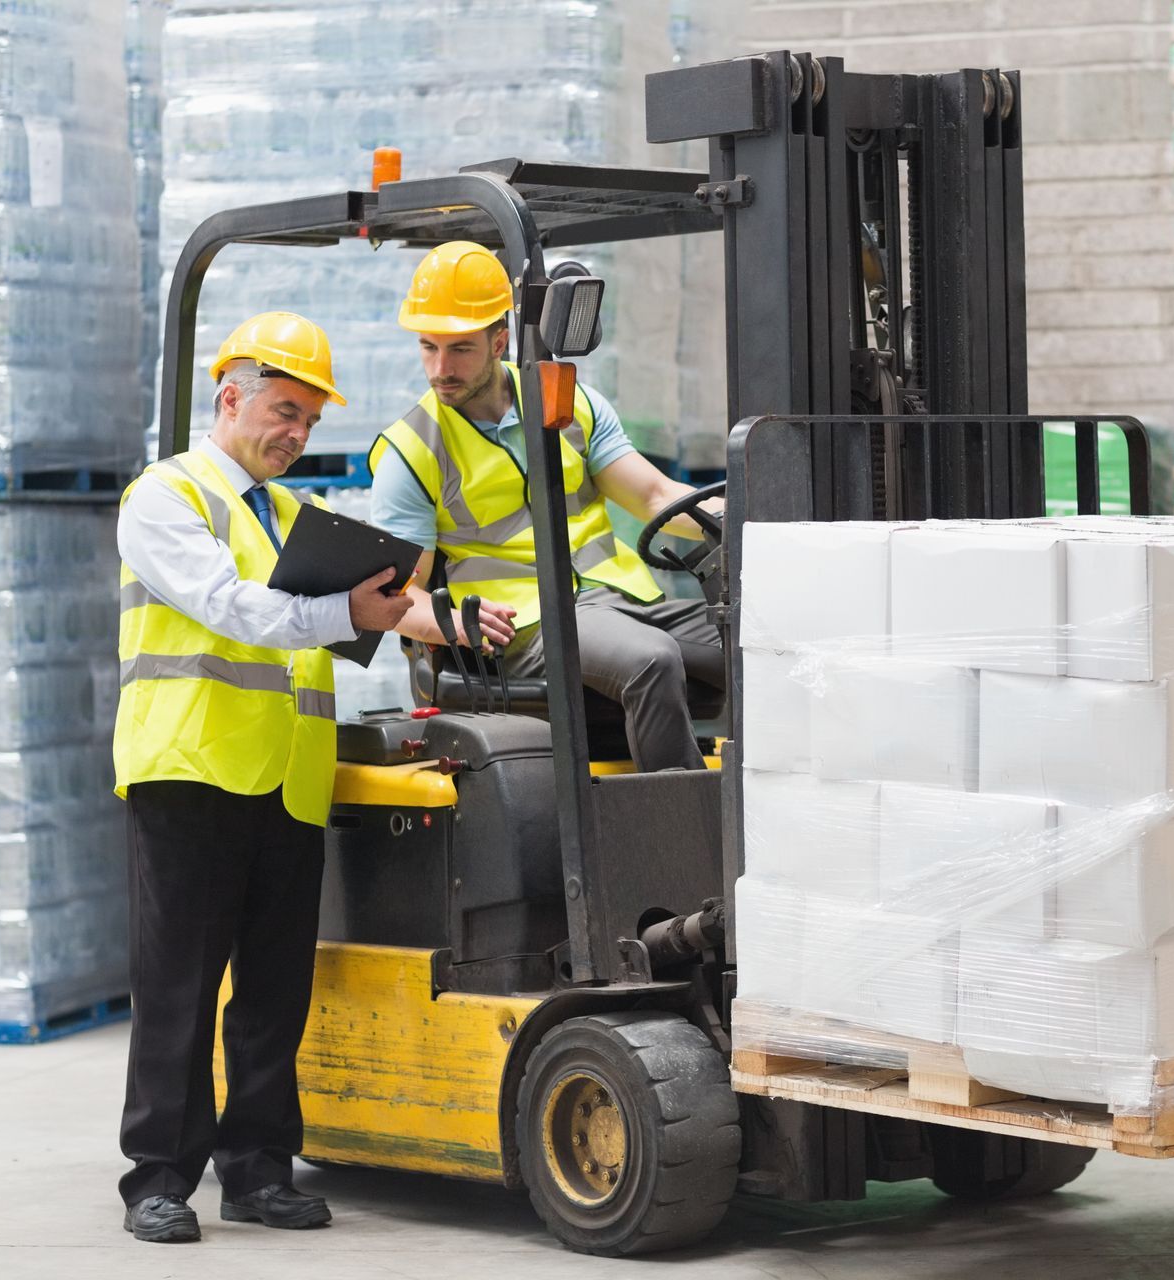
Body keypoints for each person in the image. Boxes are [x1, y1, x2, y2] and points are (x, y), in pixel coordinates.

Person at [110, 312, 417, 1243]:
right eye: (286, 411)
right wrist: (345, 612)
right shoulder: (166, 496)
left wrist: (425, 616)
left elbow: (338, 623)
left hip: (286, 778)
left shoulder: (291, 515)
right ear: (229, 398)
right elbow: (228, 607)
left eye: (311, 420)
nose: (298, 433)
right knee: (181, 987)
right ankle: (159, 1178)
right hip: (191, 772)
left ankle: (257, 1171)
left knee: (276, 991)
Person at [369, 241, 725, 771]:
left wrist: (745, 518)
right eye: (428, 347)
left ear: (499, 341)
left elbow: (654, 496)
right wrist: (452, 625)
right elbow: (397, 593)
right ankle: (681, 823)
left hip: (622, 600)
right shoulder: (413, 449)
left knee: (756, 641)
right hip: (527, 625)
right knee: (650, 660)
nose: (440, 368)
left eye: (460, 349)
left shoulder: (570, 403)